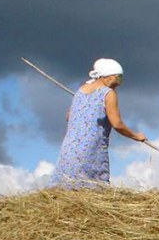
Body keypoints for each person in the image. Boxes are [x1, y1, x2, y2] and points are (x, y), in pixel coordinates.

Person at [50, 58, 146, 188]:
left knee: (66, 185)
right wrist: (135, 136)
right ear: (106, 76)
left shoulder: (80, 90)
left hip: (70, 149)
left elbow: (69, 116)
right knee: (91, 187)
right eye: (117, 78)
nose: (118, 84)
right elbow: (116, 123)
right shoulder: (108, 93)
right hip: (90, 149)